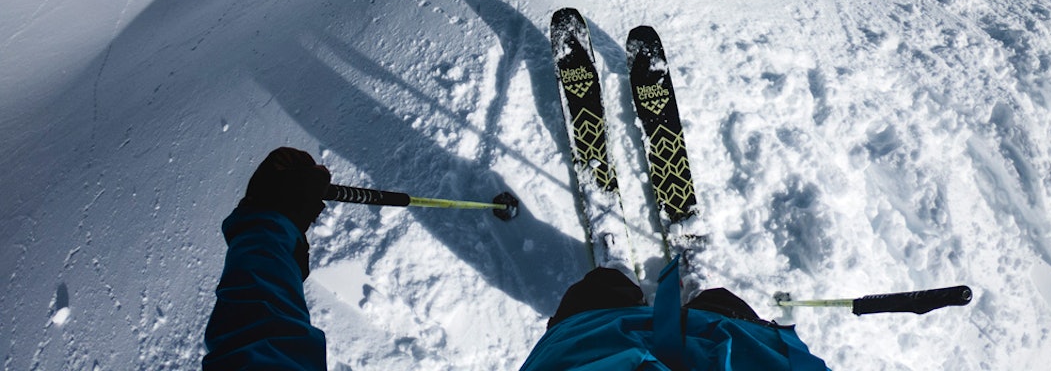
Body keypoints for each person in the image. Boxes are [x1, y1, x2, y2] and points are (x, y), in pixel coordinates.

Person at [204, 148, 832, 371]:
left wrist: (269, 227)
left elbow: (260, 351)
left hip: (591, 350)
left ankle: (623, 277)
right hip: (739, 350)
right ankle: (681, 291)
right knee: (720, 309)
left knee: (602, 293)